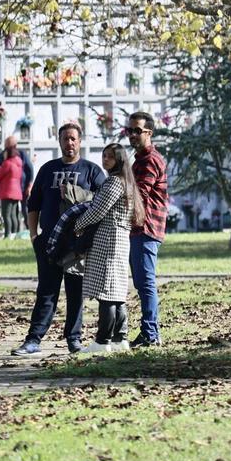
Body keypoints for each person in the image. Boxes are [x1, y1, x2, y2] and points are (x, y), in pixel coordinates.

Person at [12, 123, 106, 356]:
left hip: (77, 244)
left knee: (75, 293)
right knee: (46, 291)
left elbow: (104, 204)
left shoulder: (92, 171)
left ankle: (74, 340)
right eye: (65, 139)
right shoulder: (48, 169)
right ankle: (33, 339)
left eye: (73, 138)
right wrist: (34, 236)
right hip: (49, 241)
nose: (69, 143)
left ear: (80, 141)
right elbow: (33, 205)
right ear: (59, 141)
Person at [72, 144, 146, 353]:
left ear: (119, 160)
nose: (105, 160)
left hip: (108, 238)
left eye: (110, 157)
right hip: (120, 239)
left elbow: (97, 211)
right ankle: (119, 339)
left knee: (107, 291)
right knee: (116, 291)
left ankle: (102, 341)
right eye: (104, 156)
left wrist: (77, 225)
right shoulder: (127, 182)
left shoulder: (114, 182)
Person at [126, 111, 169, 347]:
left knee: (146, 283)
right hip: (139, 229)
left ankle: (151, 334)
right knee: (142, 283)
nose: (132, 135)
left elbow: (138, 195)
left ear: (149, 133)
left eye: (137, 131)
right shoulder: (140, 159)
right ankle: (149, 332)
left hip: (146, 228)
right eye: (129, 130)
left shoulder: (149, 160)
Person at [0, 135, 34, 232]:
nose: (5, 146)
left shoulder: (21, 154)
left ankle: (30, 230)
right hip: (13, 189)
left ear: (14, 144)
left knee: (25, 210)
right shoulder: (4, 154)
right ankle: (15, 232)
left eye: (7, 144)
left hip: (23, 187)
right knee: (14, 212)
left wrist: (29, 185)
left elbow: (30, 169)